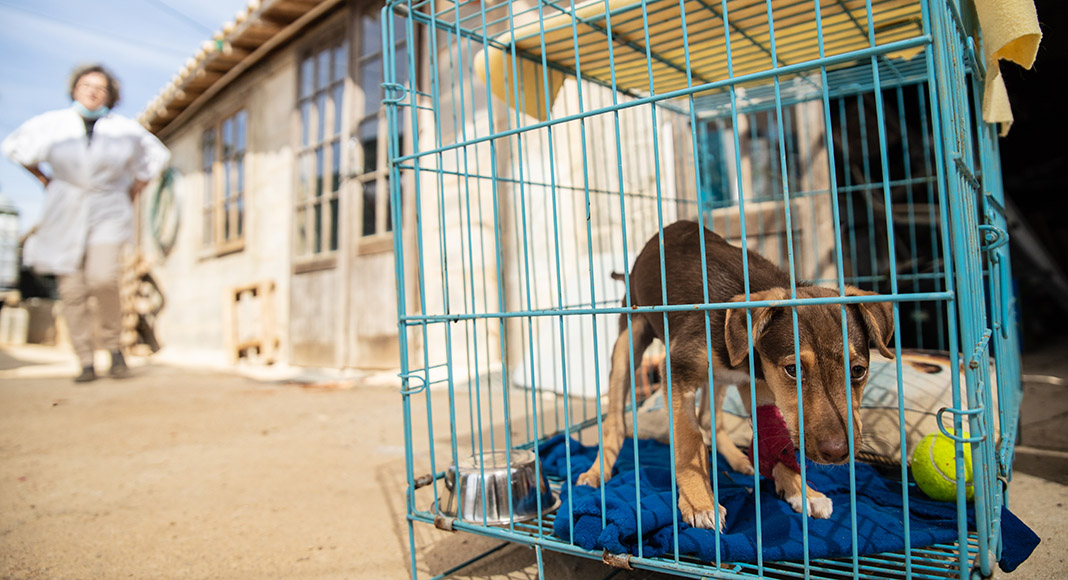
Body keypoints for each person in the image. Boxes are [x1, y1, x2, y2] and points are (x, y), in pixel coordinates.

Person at [2, 64, 170, 383]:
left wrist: (135, 189)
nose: (92, 91)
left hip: (108, 206)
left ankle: (114, 347)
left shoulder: (124, 129)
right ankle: (85, 359)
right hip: (65, 207)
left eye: (100, 87)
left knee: (103, 278)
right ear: (75, 89)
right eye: (85, 85)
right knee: (72, 289)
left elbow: (155, 158)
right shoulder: (53, 124)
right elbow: (15, 147)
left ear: (111, 94)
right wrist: (44, 179)